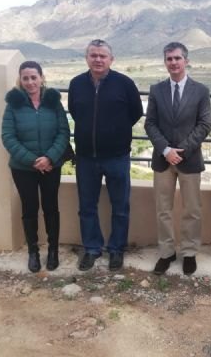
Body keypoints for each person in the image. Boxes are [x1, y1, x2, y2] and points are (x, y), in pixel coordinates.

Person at [68, 40, 143, 271]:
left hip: (117, 157)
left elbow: (136, 112)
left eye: (102, 55)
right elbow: (74, 111)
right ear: (86, 58)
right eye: (93, 55)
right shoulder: (76, 84)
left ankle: (116, 250)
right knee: (87, 207)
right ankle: (92, 249)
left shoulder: (125, 83)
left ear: (112, 59)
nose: (98, 59)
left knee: (120, 206)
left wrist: (114, 133)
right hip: (86, 158)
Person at [145, 42, 211, 276]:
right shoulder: (156, 90)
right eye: (169, 59)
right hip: (163, 159)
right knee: (163, 208)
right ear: (165, 62)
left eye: (177, 58)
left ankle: (189, 252)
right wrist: (166, 150)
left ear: (186, 60)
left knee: (191, 209)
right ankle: (166, 252)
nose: (173, 62)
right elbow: (150, 123)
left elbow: (205, 124)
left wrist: (181, 150)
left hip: (189, 159)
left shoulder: (201, 90)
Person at [1, 61, 70, 273]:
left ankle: (53, 251)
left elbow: (63, 132)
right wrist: (33, 160)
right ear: (20, 80)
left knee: (51, 209)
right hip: (23, 169)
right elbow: (8, 137)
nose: (30, 82)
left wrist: (49, 158)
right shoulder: (13, 105)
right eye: (25, 78)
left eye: (34, 77)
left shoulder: (53, 102)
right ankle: (33, 252)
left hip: (51, 165)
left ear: (41, 78)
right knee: (29, 209)